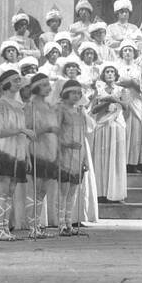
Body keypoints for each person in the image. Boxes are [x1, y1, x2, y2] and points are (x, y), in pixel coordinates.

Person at [0, 66, 32, 238]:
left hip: (18, 152)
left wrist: (27, 156)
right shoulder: (0, 104)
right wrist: (21, 130)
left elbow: (23, 135)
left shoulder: (19, 105)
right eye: (15, 80)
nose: (19, 84)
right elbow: (0, 130)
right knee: (3, 189)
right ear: (6, 83)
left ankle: (5, 227)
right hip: (5, 150)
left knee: (10, 190)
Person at [51, 80, 90, 236]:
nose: (76, 96)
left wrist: (85, 159)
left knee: (73, 191)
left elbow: (83, 136)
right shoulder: (60, 109)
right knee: (63, 190)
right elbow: (55, 133)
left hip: (78, 156)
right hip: (64, 154)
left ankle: (69, 223)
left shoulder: (80, 112)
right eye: (73, 92)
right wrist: (66, 144)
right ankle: (60, 224)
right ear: (66, 93)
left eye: (78, 93)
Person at [90, 62, 129, 203]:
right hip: (101, 125)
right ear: (103, 74)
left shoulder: (122, 90)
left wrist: (114, 99)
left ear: (116, 74)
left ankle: (116, 194)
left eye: (112, 71)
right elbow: (93, 110)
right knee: (101, 158)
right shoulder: (98, 89)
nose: (110, 74)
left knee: (116, 158)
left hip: (117, 125)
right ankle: (100, 193)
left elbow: (125, 106)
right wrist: (107, 102)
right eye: (107, 71)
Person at [24, 71, 56, 236]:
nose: (47, 88)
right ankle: (32, 227)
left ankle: (37, 226)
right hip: (36, 150)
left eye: (47, 84)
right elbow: (27, 130)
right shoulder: (30, 106)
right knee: (35, 189)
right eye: (43, 85)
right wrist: (46, 129)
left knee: (43, 190)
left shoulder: (50, 106)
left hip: (50, 152)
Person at [115, 41, 142, 171]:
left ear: (134, 53)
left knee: (135, 133)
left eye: (130, 50)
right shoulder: (116, 67)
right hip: (120, 102)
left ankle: (133, 164)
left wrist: (132, 82)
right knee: (122, 133)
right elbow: (113, 82)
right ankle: (120, 164)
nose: (127, 52)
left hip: (136, 101)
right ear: (121, 53)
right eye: (125, 50)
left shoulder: (140, 69)